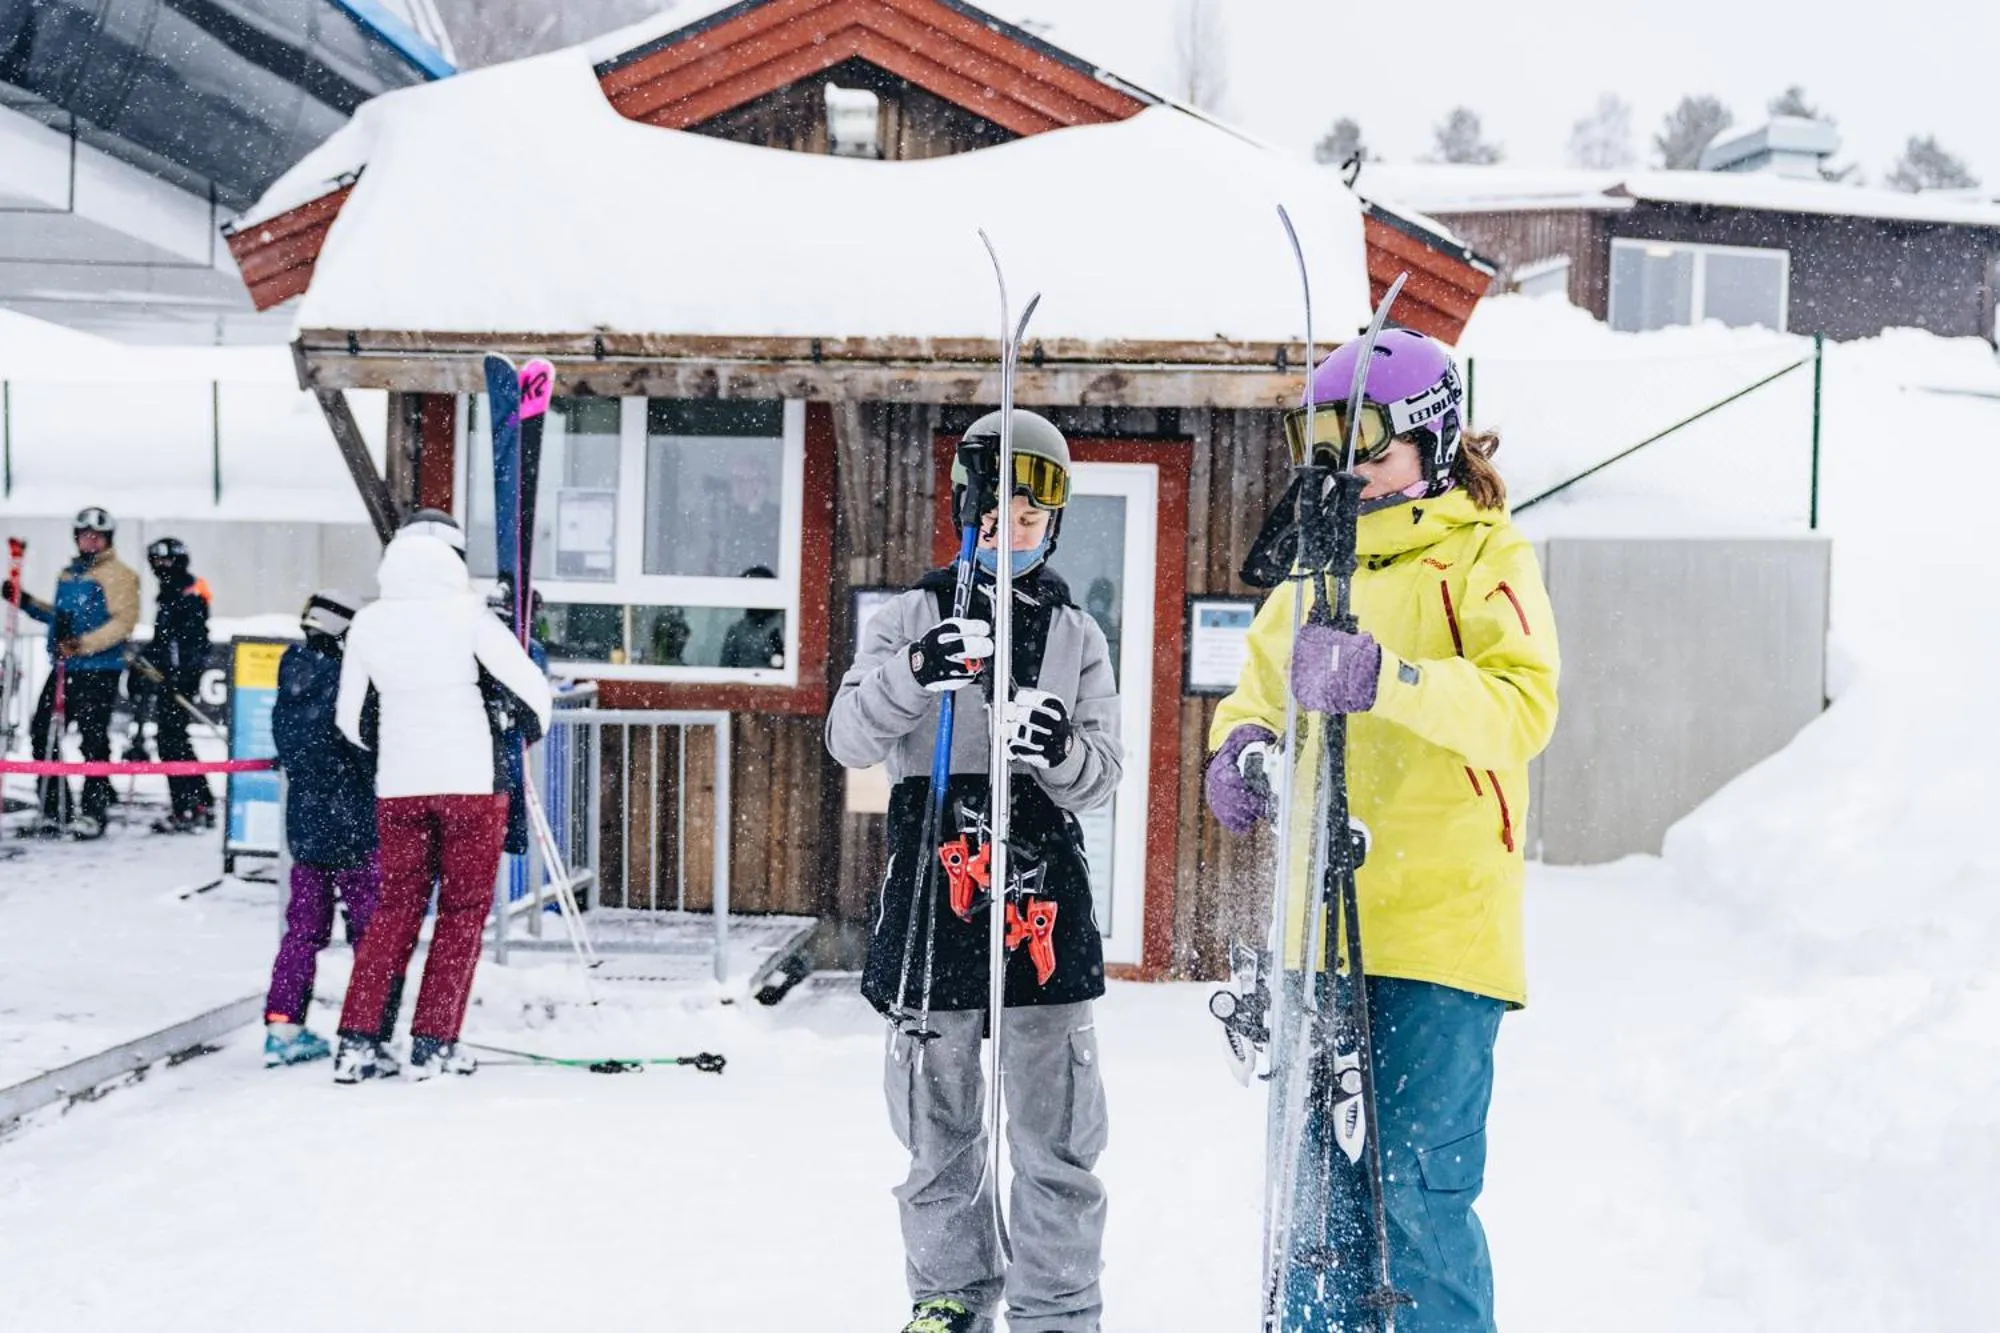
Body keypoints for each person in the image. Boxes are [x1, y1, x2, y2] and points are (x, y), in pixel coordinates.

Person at [1204, 330, 1560, 1333]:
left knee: (1413, 1198)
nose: (1345, 471)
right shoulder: (1309, 569)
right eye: (1323, 448)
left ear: (1431, 439)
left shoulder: (1485, 555)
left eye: (1367, 446)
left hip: (1440, 937)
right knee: (1314, 1211)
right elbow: (1254, 697)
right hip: (1317, 930)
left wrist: (1388, 678)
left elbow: (1521, 709)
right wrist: (1238, 751)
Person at [826, 410, 1122, 1333]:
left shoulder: (1076, 632)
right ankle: (949, 1292)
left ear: (1054, 524)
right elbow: (848, 736)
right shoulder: (910, 617)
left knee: (1054, 1124)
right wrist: (915, 673)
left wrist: (1060, 749)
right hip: (935, 877)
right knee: (938, 1113)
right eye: (996, 516)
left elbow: (1103, 773)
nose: (1012, 532)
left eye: (1032, 519)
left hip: (1041, 889)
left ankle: (1058, 1306)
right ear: (963, 510)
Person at [330, 512, 551, 1083]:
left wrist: (396, 747)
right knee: (461, 914)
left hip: (400, 789)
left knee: (394, 912)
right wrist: (511, 732)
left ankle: (358, 1041)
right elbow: (534, 694)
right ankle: (434, 1042)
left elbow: (351, 719)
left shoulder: (369, 623)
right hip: (471, 787)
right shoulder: (469, 616)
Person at [264, 590, 387, 1067]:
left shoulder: (292, 672)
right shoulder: (351, 679)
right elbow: (365, 746)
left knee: (302, 931)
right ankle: (367, 1028)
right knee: (370, 933)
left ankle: (283, 1027)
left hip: (306, 824)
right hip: (355, 823)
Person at [2, 507, 139, 838]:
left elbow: (123, 623)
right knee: (42, 732)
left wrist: (82, 644)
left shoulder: (119, 574)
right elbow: (60, 617)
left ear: (108, 539)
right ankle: (54, 807)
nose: (90, 541)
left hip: (99, 669)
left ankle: (93, 810)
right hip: (66, 667)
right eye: (84, 535)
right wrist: (26, 602)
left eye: (97, 536)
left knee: (93, 739)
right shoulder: (69, 575)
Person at [134, 536, 217, 833]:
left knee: (172, 742)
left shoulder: (188, 593)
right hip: (170, 678)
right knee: (173, 740)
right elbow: (163, 640)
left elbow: (192, 642)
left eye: (167, 560)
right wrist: (146, 661)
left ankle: (189, 805)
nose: (162, 567)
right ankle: (198, 800)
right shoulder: (169, 593)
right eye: (157, 562)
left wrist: (180, 677)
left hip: (179, 680)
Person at [718, 566, 785, 669]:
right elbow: (725, 669)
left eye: (759, 591)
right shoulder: (737, 630)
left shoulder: (784, 626)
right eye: (748, 592)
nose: (753, 597)